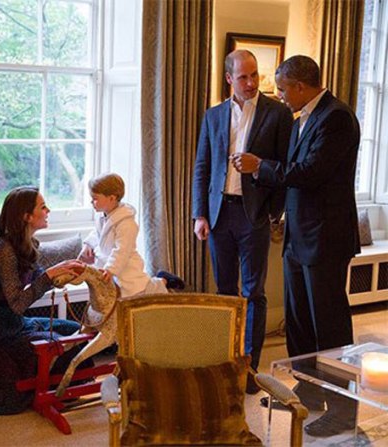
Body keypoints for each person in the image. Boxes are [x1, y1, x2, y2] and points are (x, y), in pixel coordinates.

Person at [232, 55, 360, 436]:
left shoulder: (336, 117)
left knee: (330, 329)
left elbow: (309, 174)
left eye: (284, 89)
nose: (281, 96)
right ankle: (307, 395)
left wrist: (260, 167)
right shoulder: (303, 117)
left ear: (301, 86)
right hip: (299, 237)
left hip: (325, 238)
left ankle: (342, 411)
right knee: (300, 326)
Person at [192, 49, 293, 393]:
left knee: (253, 293)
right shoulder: (213, 115)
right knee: (224, 292)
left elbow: (284, 167)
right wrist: (199, 213)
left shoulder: (278, 114)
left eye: (255, 76)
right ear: (229, 79)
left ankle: (249, 367)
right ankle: (226, 358)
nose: (252, 83)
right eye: (244, 77)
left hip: (255, 215)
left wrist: (272, 211)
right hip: (219, 214)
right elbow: (202, 166)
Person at [0, 186, 85, 418]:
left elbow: (39, 278)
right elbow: (18, 303)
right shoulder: (4, 251)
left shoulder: (29, 244)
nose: (48, 210)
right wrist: (48, 277)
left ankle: (62, 390)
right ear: (26, 216)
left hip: (16, 322)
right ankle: (50, 391)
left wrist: (65, 271)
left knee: (75, 330)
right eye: (43, 207)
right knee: (55, 343)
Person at [79, 173, 183, 297]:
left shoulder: (126, 223)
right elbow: (97, 234)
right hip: (106, 262)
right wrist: (88, 245)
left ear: (112, 198)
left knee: (139, 290)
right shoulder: (101, 216)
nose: (91, 201)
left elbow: (122, 249)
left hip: (125, 265)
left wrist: (110, 269)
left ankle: (163, 280)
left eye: (95, 198)